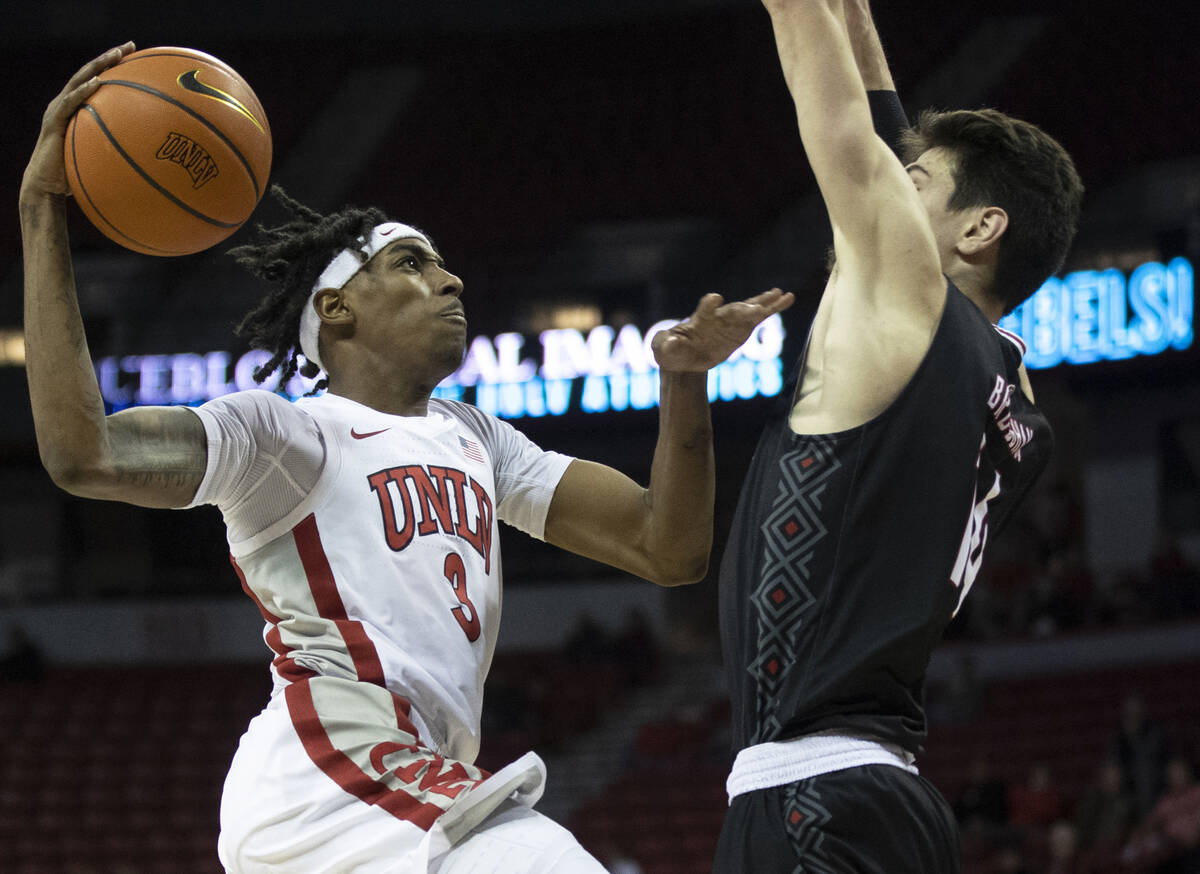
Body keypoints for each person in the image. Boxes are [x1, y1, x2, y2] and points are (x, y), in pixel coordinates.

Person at [20, 44, 794, 874]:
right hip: (329, 772)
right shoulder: (285, 435)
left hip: (407, 780)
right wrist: (41, 215)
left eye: (445, 263)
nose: (452, 280)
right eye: (413, 263)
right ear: (337, 308)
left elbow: (666, 549)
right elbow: (85, 454)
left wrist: (683, 383)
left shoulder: (478, 438)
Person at [713, 1, 1082, 871]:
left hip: (813, 802)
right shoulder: (1021, 412)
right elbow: (883, 134)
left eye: (914, 182)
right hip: (891, 801)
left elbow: (841, 125)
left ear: (979, 228)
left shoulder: (907, 300)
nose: (889, 181)